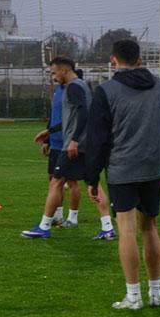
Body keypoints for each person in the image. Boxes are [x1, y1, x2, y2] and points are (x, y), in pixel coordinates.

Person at [86, 40, 160, 309]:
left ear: (113, 60)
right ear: (140, 59)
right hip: (151, 167)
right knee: (150, 227)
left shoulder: (106, 90)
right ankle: (155, 293)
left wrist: (91, 177)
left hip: (122, 168)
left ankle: (134, 296)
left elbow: (97, 138)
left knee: (126, 230)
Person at [23, 57, 116, 240]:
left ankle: (44, 226)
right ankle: (107, 227)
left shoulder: (73, 87)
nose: (53, 77)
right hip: (86, 145)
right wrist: (50, 132)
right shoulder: (81, 86)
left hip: (74, 147)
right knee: (93, 184)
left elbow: (84, 113)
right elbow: (72, 118)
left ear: (64, 70)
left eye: (54, 73)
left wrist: (74, 140)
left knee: (56, 182)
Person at [42, 82, 81, 228]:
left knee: (71, 181)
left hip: (68, 143)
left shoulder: (73, 90)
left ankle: (73, 218)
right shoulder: (57, 90)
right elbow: (54, 116)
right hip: (56, 141)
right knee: (53, 179)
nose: (53, 76)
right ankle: (57, 216)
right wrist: (47, 139)